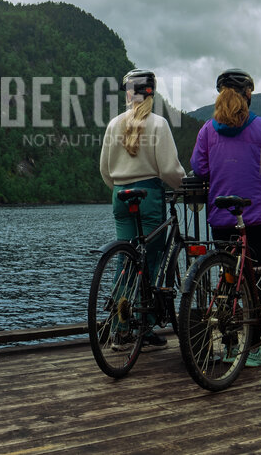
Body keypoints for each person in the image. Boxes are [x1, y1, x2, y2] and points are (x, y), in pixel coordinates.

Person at [190, 68, 261, 367]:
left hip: (221, 216)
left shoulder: (207, 130)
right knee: (255, 283)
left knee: (228, 280)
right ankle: (254, 350)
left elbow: (200, 168)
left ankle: (231, 347)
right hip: (258, 216)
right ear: (248, 95)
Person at [100, 68, 186, 351]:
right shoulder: (158, 124)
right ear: (153, 92)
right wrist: (187, 190)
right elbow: (170, 170)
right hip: (148, 196)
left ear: (128, 93)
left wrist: (118, 185)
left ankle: (118, 328)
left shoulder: (114, 124)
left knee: (125, 258)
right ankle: (144, 326)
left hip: (120, 195)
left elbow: (104, 170)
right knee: (149, 260)